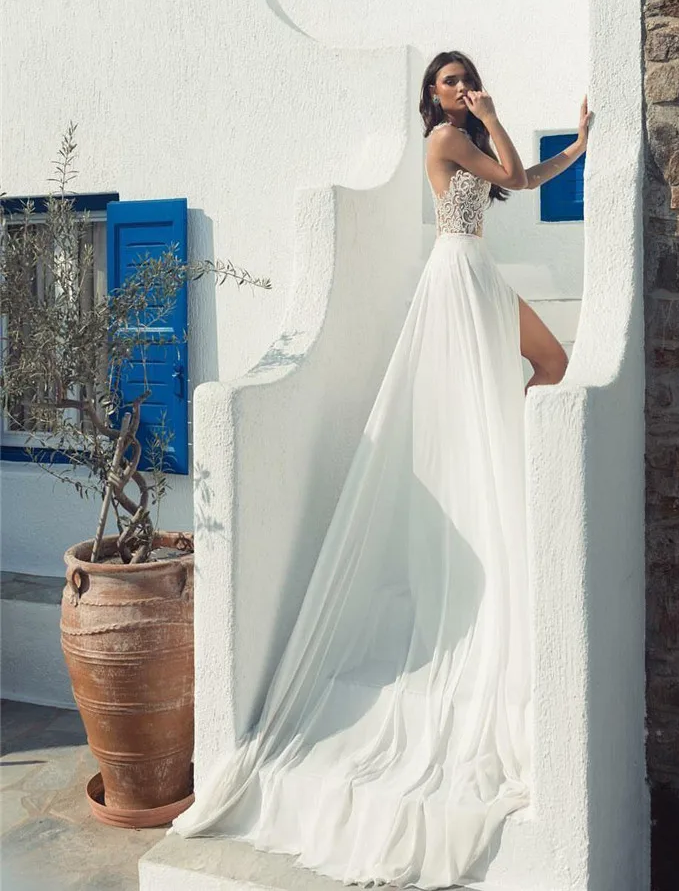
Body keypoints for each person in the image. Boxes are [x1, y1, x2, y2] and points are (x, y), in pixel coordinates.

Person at [169, 50, 592, 891]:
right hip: (458, 277)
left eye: (464, 75)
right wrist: (492, 111)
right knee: (541, 365)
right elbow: (507, 165)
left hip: (477, 272)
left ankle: (495, 448)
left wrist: (577, 150)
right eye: (447, 80)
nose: (458, 88)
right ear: (431, 98)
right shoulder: (444, 139)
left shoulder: (466, 142)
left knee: (551, 364)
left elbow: (525, 177)